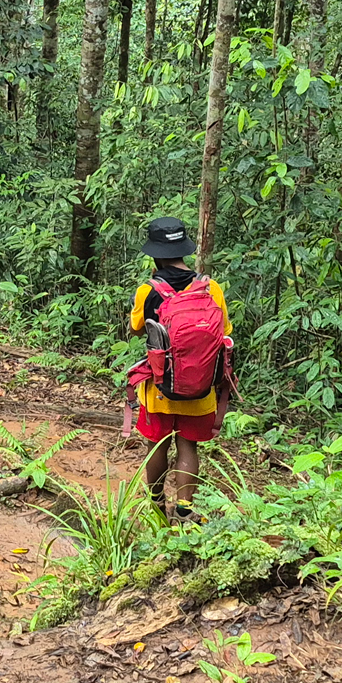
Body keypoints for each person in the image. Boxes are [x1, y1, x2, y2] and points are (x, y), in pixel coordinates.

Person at [126, 216, 233, 522]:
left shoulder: (149, 290)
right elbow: (224, 330)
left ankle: (157, 506)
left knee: (157, 443)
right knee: (189, 447)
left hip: (160, 386)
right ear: (183, 250)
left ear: (155, 254)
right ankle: (184, 511)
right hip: (201, 387)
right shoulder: (211, 287)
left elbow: (136, 328)